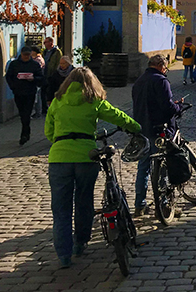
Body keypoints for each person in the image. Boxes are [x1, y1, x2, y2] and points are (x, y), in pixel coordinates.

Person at [45, 67, 141, 268]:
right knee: (83, 201)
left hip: (59, 158)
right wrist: (136, 128)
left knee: (60, 210)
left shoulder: (58, 101)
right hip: (86, 157)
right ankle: (80, 243)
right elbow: (118, 116)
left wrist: (62, 142)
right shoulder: (93, 101)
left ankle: (63, 255)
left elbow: (49, 131)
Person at [132, 54, 184, 216]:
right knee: (162, 168)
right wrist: (178, 107)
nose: (166, 71)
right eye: (165, 68)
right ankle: (163, 206)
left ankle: (140, 204)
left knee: (143, 168)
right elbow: (167, 107)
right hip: (159, 130)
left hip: (142, 129)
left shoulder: (139, 81)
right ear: (161, 66)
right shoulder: (161, 81)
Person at [6, 45, 45, 145]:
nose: (27, 57)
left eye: (28, 55)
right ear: (21, 54)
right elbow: (8, 76)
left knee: (26, 113)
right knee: (22, 113)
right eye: (25, 55)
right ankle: (26, 132)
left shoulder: (34, 65)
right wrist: (13, 86)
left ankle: (25, 134)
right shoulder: (14, 64)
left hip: (30, 92)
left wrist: (33, 79)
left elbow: (41, 77)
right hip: (18, 92)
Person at [30, 45, 47, 119]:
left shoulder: (39, 60)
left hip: (38, 80)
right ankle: (37, 112)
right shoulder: (34, 59)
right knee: (37, 96)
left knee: (37, 97)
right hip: (35, 80)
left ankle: (38, 113)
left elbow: (37, 70)